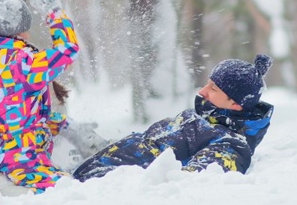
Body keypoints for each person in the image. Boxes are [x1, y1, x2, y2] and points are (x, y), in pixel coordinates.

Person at [72, 54, 275, 181]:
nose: (203, 91)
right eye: (208, 83)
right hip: (91, 170)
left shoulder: (231, 145)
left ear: (236, 104)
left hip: (100, 185)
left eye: (213, 88)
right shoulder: (205, 120)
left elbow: (190, 182)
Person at [0, 0, 81, 194]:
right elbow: (68, 49)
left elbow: (18, 110)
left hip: (3, 154)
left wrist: (65, 127)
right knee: (67, 192)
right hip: (26, 159)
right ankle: (4, 189)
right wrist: (53, 11)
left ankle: (2, 184)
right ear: (18, 30)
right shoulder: (22, 64)